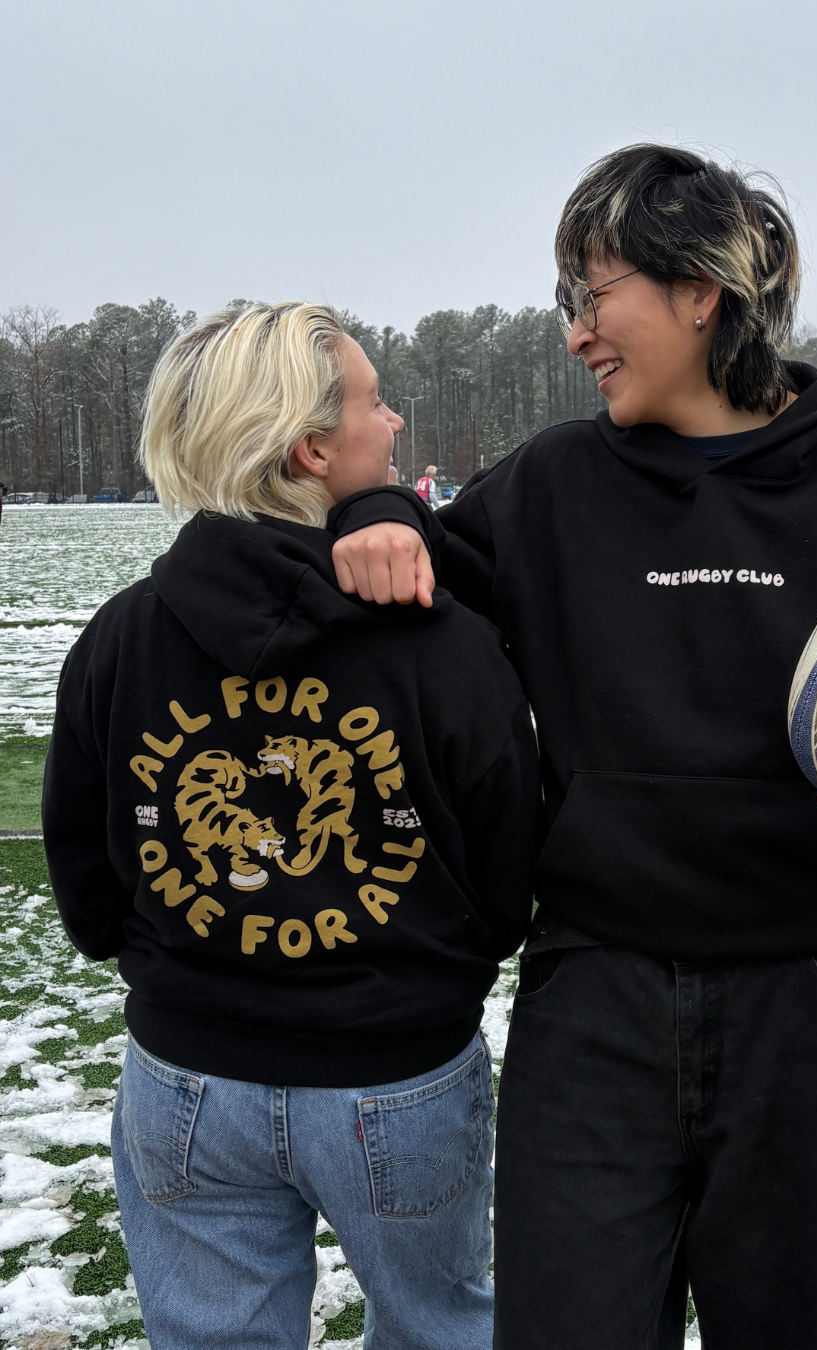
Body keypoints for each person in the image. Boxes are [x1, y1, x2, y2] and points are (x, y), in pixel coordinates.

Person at [327, 146, 817, 1350]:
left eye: (592, 298)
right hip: (596, 997)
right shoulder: (553, 483)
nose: (574, 337)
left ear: (699, 291)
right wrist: (379, 513)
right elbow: (420, 560)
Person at [42, 302, 541, 1350]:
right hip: (394, 1075)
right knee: (439, 1331)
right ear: (314, 449)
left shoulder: (123, 634)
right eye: (373, 402)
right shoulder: (442, 645)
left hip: (184, 1079)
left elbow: (87, 876)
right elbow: (506, 876)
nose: (396, 420)